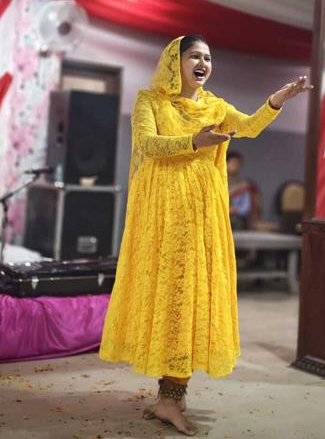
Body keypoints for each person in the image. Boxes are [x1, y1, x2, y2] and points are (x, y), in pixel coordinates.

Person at [99, 35, 312, 436]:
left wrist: (277, 100)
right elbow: (147, 144)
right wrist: (194, 141)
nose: (203, 63)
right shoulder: (150, 101)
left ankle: (171, 396)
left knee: (193, 297)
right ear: (175, 62)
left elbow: (248, 128)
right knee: (171, 296)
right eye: (195, 56)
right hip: (164, 214)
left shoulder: (216, 106)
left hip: (203, 214)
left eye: (208, 58)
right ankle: (169, 398)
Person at [227, 150, 254, 230]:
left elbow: (245, 209)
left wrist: (234, 210)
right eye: (233, 163)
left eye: (238, 164)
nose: (236, 166)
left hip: (236, 221)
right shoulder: (217, 183)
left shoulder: (243, 186)